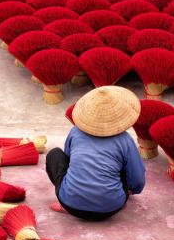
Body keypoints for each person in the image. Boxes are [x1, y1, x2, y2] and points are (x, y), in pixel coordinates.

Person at [46, 86, 146, 221]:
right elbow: (137, 179)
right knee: (122, 165)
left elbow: (68, 161)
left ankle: (67, 200)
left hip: (70, 204)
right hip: (112, 207)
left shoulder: (75, 132)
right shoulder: (125, 140)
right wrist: (131, 191)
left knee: (54, 154)